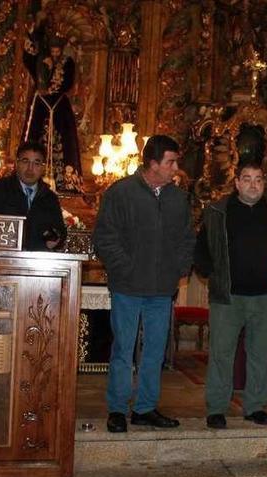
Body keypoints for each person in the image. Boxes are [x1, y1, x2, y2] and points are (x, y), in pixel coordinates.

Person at [92, 135, 195, 433]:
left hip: (162, 289)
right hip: (127, 287)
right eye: (171, 162)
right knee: (124, 349)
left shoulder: (177, 198)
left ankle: (145, 408)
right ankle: (117, 409)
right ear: (153, 163)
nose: (176, 168)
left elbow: (187, 238)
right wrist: (126, 268)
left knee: (154, 351)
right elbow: (105, 238)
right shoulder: (121, 193)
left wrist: (179, 268)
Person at [195, 161, 267, 429]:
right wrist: (210, 273)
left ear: (264, 183)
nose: (253, 184)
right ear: (236, 183)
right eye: (247, 179)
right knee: (221, 353)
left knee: (261, 354)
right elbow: (201, 248)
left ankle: (255, 406)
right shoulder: (217, 211)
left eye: (258, 179)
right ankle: (216, 408)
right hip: (229, 297)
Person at [0, 141, 66, 252]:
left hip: (35, 262)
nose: (30, 168)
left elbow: (60, 232)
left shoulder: (50, 197)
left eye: (36, 163)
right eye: (25, 161)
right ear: (17, 163)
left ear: (43, 168)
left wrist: (55, 240)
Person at [23, 21, 81, 190]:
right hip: (41, 105)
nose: (55, 52)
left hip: (59, 105)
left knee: (64, 140)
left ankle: (65, 183)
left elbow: (68, 82)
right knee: (35, 137)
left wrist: (54, 88)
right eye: (53, 49)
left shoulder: (67, 62)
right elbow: (28, 60)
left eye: (58, 49)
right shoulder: (41, 62)